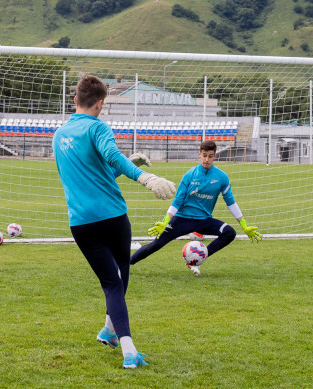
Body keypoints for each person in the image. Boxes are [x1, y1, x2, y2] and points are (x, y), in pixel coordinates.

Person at [52, 75, 175, 369]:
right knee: (119, 278)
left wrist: (131, 163)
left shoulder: (59, 135)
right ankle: (128, 350)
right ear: (100, 104)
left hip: (81, 223)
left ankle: (108, 331)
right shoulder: (98, 127)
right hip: (112, 216)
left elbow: (99, 173)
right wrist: (145, 177)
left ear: (75, 100)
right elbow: (111, 155)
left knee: (112, 283)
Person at [130, 140, 262, 277]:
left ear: (215, 156)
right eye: (204, 155)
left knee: (229, 233)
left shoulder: (222, 177)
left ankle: (197, 259)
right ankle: (126, 264)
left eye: (210, 156)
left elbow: (231, 202)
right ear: (199, 154)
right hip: (182, 219)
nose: (207, 159)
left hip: (204, 221)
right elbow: (178, 200)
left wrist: (244, 224)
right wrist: (165, 220)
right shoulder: (190, 175)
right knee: (155, 245)